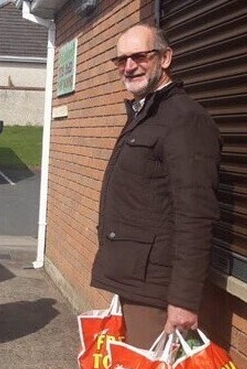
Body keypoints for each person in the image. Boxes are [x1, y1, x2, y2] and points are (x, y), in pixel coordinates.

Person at [91, 23, 222, 349]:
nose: (129, 66)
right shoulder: (148, 113)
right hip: (135, 281)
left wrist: (184, 300)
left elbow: (195, 214)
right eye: (121, 60)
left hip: (157, 292)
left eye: (139, 56)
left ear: (165, 58)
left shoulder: (183, 119)